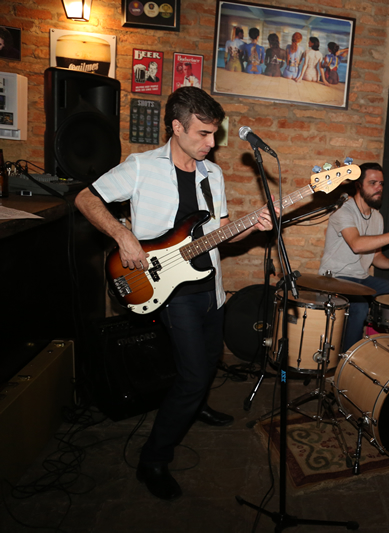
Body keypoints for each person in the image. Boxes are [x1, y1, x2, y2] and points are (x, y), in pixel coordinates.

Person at [74, 88, 273, 500]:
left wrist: (253, 226)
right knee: (194, 374)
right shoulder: (142, 167)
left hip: (208, 285)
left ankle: (195, 405)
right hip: (165, 287)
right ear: (177, 127)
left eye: (215, 134)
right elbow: (85, 198)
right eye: (203, 134)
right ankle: (153, 459)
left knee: (210, 359)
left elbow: (219, 234)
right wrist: (123, 235)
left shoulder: (212, 174)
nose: (211, 143)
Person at [318, 163, 389, 351]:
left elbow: (375, 256)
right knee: (359, 306)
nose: (378, 188)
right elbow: (357, 244)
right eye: (373, 183)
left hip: (361, 279)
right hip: (335, 277)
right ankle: (348, 358)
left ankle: (386, 349)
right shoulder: (343, 211)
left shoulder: (377, 217)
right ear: (359, 185)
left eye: (381, 183)